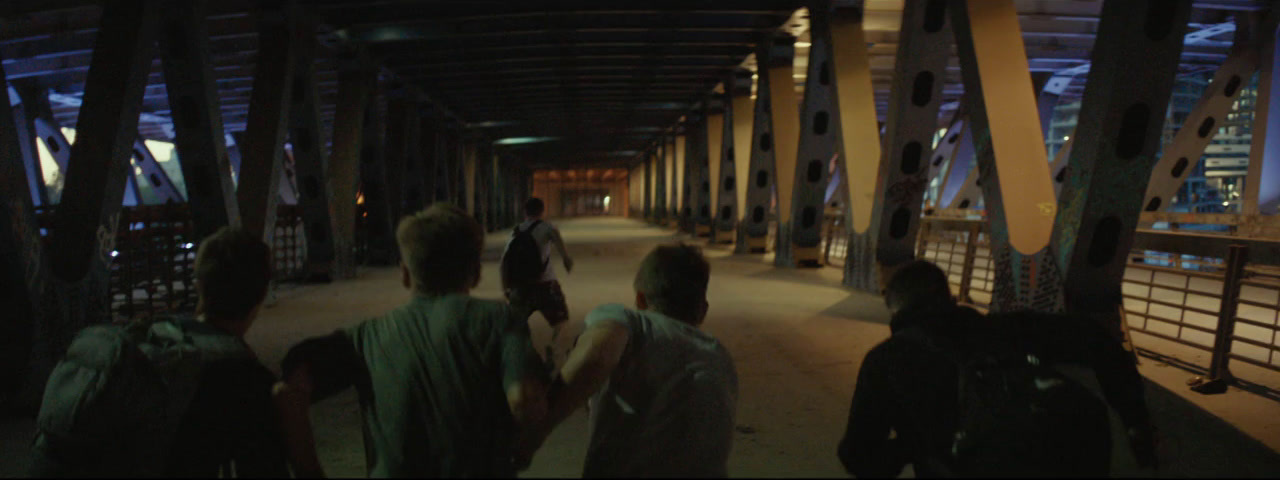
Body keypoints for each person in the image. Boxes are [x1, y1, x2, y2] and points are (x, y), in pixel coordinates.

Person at [277, 203, 549, 477]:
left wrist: (309, 471)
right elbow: (524, 401)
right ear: (476, 273)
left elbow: (289, 392)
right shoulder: (499, 320)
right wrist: (525, 444)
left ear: (405, 274)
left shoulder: (363, 337)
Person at [30, 226, 319, 478]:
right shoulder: (246, 380)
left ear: (199, 286)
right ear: (261, 294)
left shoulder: (152, 334)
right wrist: (300, 442)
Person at [837, 260, 1157, 478]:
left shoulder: (886, 361)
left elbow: (858, 456)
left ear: (894, 307)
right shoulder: (1010, 329)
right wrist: (1135, 419)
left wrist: (912, 447)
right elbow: (1096, 340)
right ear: (949, 296)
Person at [516, 243, 738, 477]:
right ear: (703, 310)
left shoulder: (630, 321)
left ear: (641, 300)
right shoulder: (720, 357)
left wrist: (533, 435)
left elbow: (597, 353)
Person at [503, 197, 574, 333]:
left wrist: (507, 287)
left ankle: (523, 349)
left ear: (525, 212)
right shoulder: (549, 228)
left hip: (520, 287)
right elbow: (563, 253)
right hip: (545, 285)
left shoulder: (516, 231)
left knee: (515, 328)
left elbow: (506, 260)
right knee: (561, 324)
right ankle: (554, 349)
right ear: (542, 211)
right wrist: (567, 261)